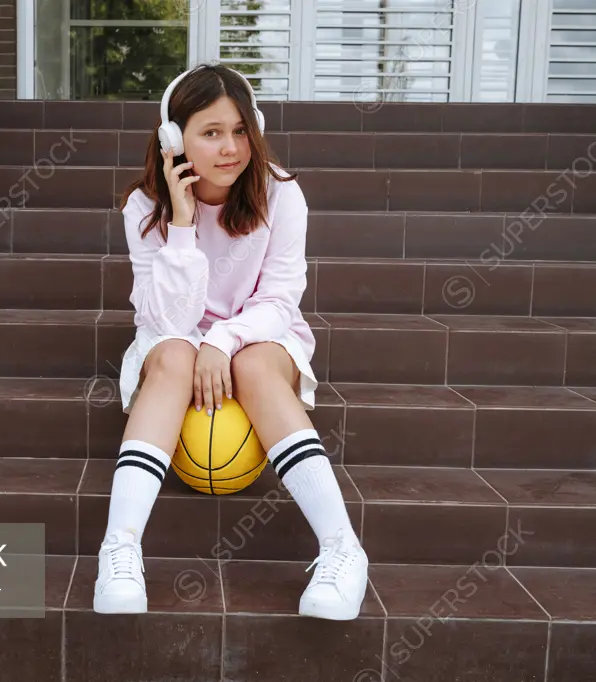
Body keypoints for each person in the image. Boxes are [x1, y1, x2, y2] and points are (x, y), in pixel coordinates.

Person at [92, 62, 369, 621]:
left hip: (259, 335)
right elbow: (168, 317)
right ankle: (118, 550)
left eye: (241, 130)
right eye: (211, 132)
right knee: (172, 355)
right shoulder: (144, 207)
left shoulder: (282, 195)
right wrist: (185, 224)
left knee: (256, 367)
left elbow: (280, 300)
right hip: (180, 337)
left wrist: (223, 340)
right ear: (174, 139)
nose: (231, 148)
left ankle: (344, 549)